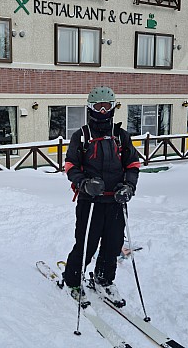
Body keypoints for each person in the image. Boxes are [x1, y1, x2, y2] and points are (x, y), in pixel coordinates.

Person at [63, 86, 140, 307]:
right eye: (99, 106)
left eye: (108, 106)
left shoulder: (121, 136)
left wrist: (128, 186)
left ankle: (104, 280)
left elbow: (133, 164)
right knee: (86, 244)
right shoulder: (82, 136)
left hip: (115, 201)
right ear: (90, 108)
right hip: (91, 201)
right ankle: (73, 280)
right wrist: (83, 183)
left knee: (113, 244)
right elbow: (70, 166)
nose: (104, 111)